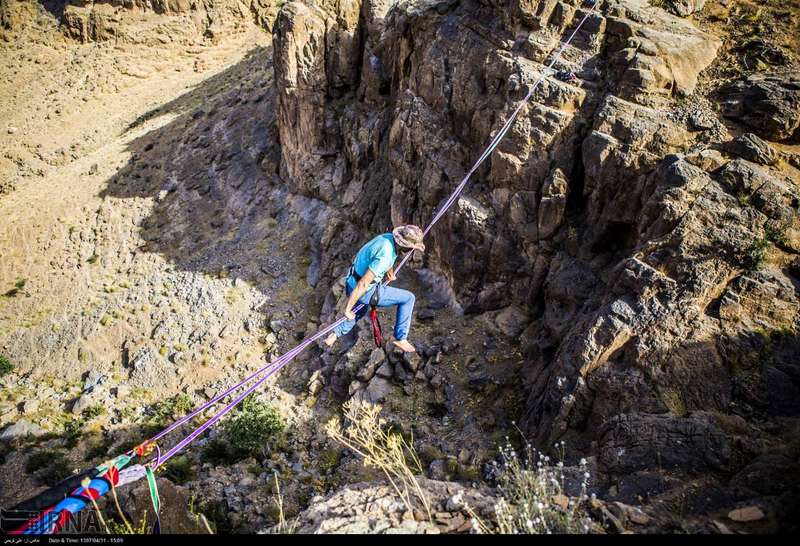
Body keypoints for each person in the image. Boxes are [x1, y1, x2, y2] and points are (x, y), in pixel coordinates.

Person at [323, 225, 425, 353]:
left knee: (359, 311)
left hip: (351, 281)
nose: (411, 251)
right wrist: (347, 309)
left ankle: (335, 334)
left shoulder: (386, 238)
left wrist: (390, 271)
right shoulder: (385, 256)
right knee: (409, 298)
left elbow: (384, 256)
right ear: (405, 246)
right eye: (411, 248)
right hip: (364, 290)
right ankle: (401, 338)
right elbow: (363, 284)